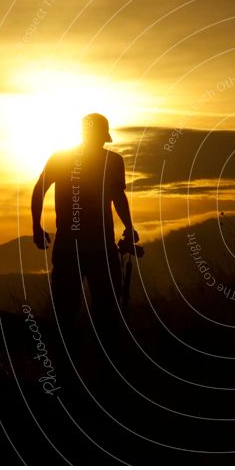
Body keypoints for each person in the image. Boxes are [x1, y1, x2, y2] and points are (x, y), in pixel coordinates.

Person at [31, 113, 139, 374]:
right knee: (97, 309)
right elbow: (117, 196)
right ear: (102, 135)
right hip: (95, 248)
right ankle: (95, 367)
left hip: (80, 247)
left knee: (76, 310)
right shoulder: (111, 161)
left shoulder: (66, 159)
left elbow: (39, 190)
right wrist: (128, 226)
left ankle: (72, 367)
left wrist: (36, 226)